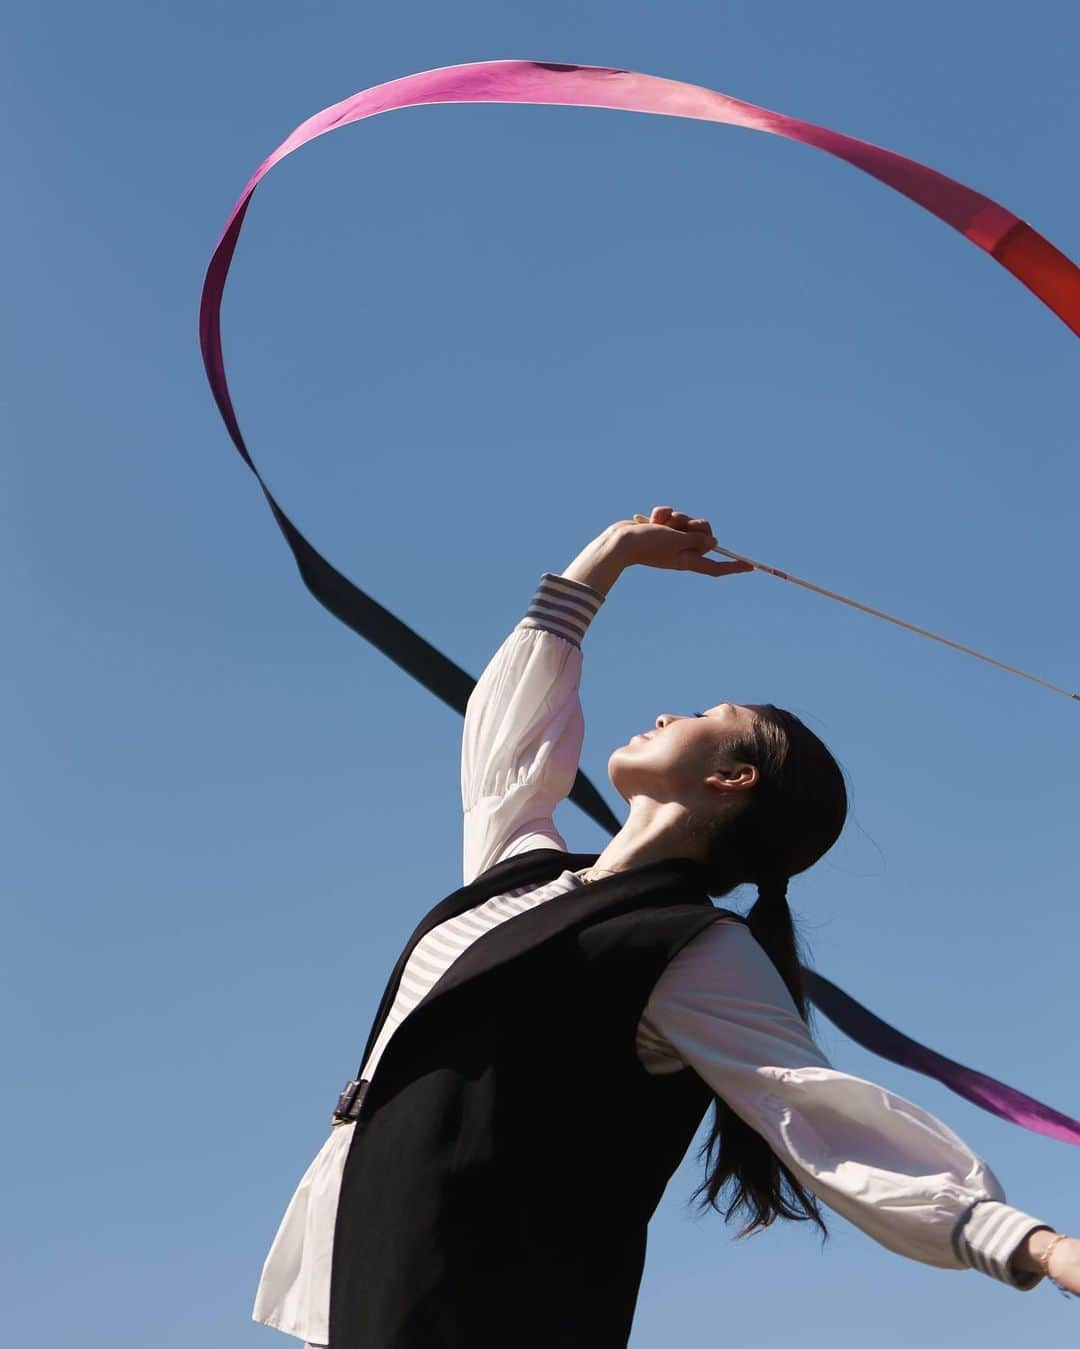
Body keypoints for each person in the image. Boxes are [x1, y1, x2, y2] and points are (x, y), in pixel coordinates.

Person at [253, 506, 1078, 1348]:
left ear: (733, 776)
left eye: (700, 714)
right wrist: (604, 560)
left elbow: (814, 1108)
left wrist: (1033, 1244)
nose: (661, 713)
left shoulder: (696, 947)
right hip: (368, 1285)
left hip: (490, 1305)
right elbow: (507, 737)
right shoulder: (524, 871)